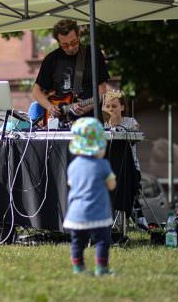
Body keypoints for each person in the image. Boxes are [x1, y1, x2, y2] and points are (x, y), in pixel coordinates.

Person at [63, 117, 116, 276]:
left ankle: (78, 268)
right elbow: (111, 185)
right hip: (98, 212)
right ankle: (102, 268)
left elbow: (71, 183)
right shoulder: (102, 165)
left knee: (77, 242)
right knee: (102, 241)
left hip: (76, 213)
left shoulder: (73, 165)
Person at [31, 19, 109, 123]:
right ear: (58, 42)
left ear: (78, 36)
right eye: (65, 45)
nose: (71, 48)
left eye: (74, 42)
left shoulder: (93, 54)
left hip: (91, 122)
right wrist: (50, 107)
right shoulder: (51, 59)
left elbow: (102, 91)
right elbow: (36, 91)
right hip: (62, 123)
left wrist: (88, 107)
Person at [102, 89, 148, 231]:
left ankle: (136, 211)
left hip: (130, 167)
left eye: (114, 106)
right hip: (111, 168)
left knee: (131, 184)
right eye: (108, 106)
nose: (111, 110)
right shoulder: (104, 125)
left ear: (122, 107)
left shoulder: (130, 121)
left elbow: (136, 132)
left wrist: (117, 126)